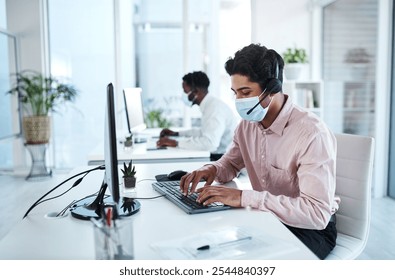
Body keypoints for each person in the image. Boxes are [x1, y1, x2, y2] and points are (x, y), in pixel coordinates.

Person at [179, 44, 340, 260]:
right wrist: (212, 170)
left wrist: (244, 197)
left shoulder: (312, 133)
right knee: (209, 249)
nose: (239, 101)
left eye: (246, 92)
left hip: (311, 229)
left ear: (272, 88)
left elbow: (316, 213)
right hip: (267, 217)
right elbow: (231, 164)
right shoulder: (247, 126)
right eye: (235, 93)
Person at [157, 71, 239, 161]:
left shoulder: (214, 109)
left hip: (223, 159)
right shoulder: (210, 105)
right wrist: (176, 134)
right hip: (220, 156)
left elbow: (210, 143)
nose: (183, 95)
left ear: (196, 92)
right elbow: (203, 132)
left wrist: (176, 143)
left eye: (185, 91)